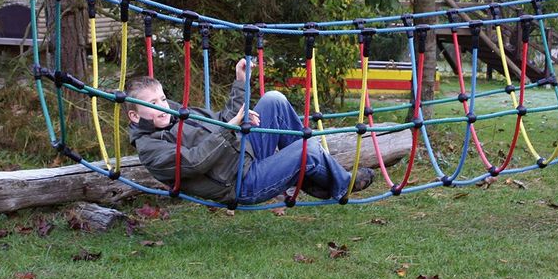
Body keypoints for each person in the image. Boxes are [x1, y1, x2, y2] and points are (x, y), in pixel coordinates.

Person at [126, 59, 374, 205]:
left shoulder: (179, 114)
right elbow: (194, 162)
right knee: (306, 150)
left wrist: (240, 81)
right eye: (153, 104)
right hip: (240, 183)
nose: (162, 107)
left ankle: (306, 178)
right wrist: (231, 128)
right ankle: (341, 184)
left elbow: (223, 120)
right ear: (135, 116)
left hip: (245, 154)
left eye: (163, 99)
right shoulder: (150, 149)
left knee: (274, 99)